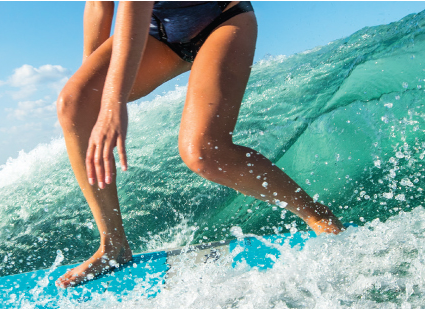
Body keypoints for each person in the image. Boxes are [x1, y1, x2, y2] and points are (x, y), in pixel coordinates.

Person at [55, 1, 343, 288]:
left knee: (204, 153)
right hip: (158, 34)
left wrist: (112, 102)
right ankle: (113, 244)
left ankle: (318, 216)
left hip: (221, 19)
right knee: (74, 104)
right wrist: (91, 76)